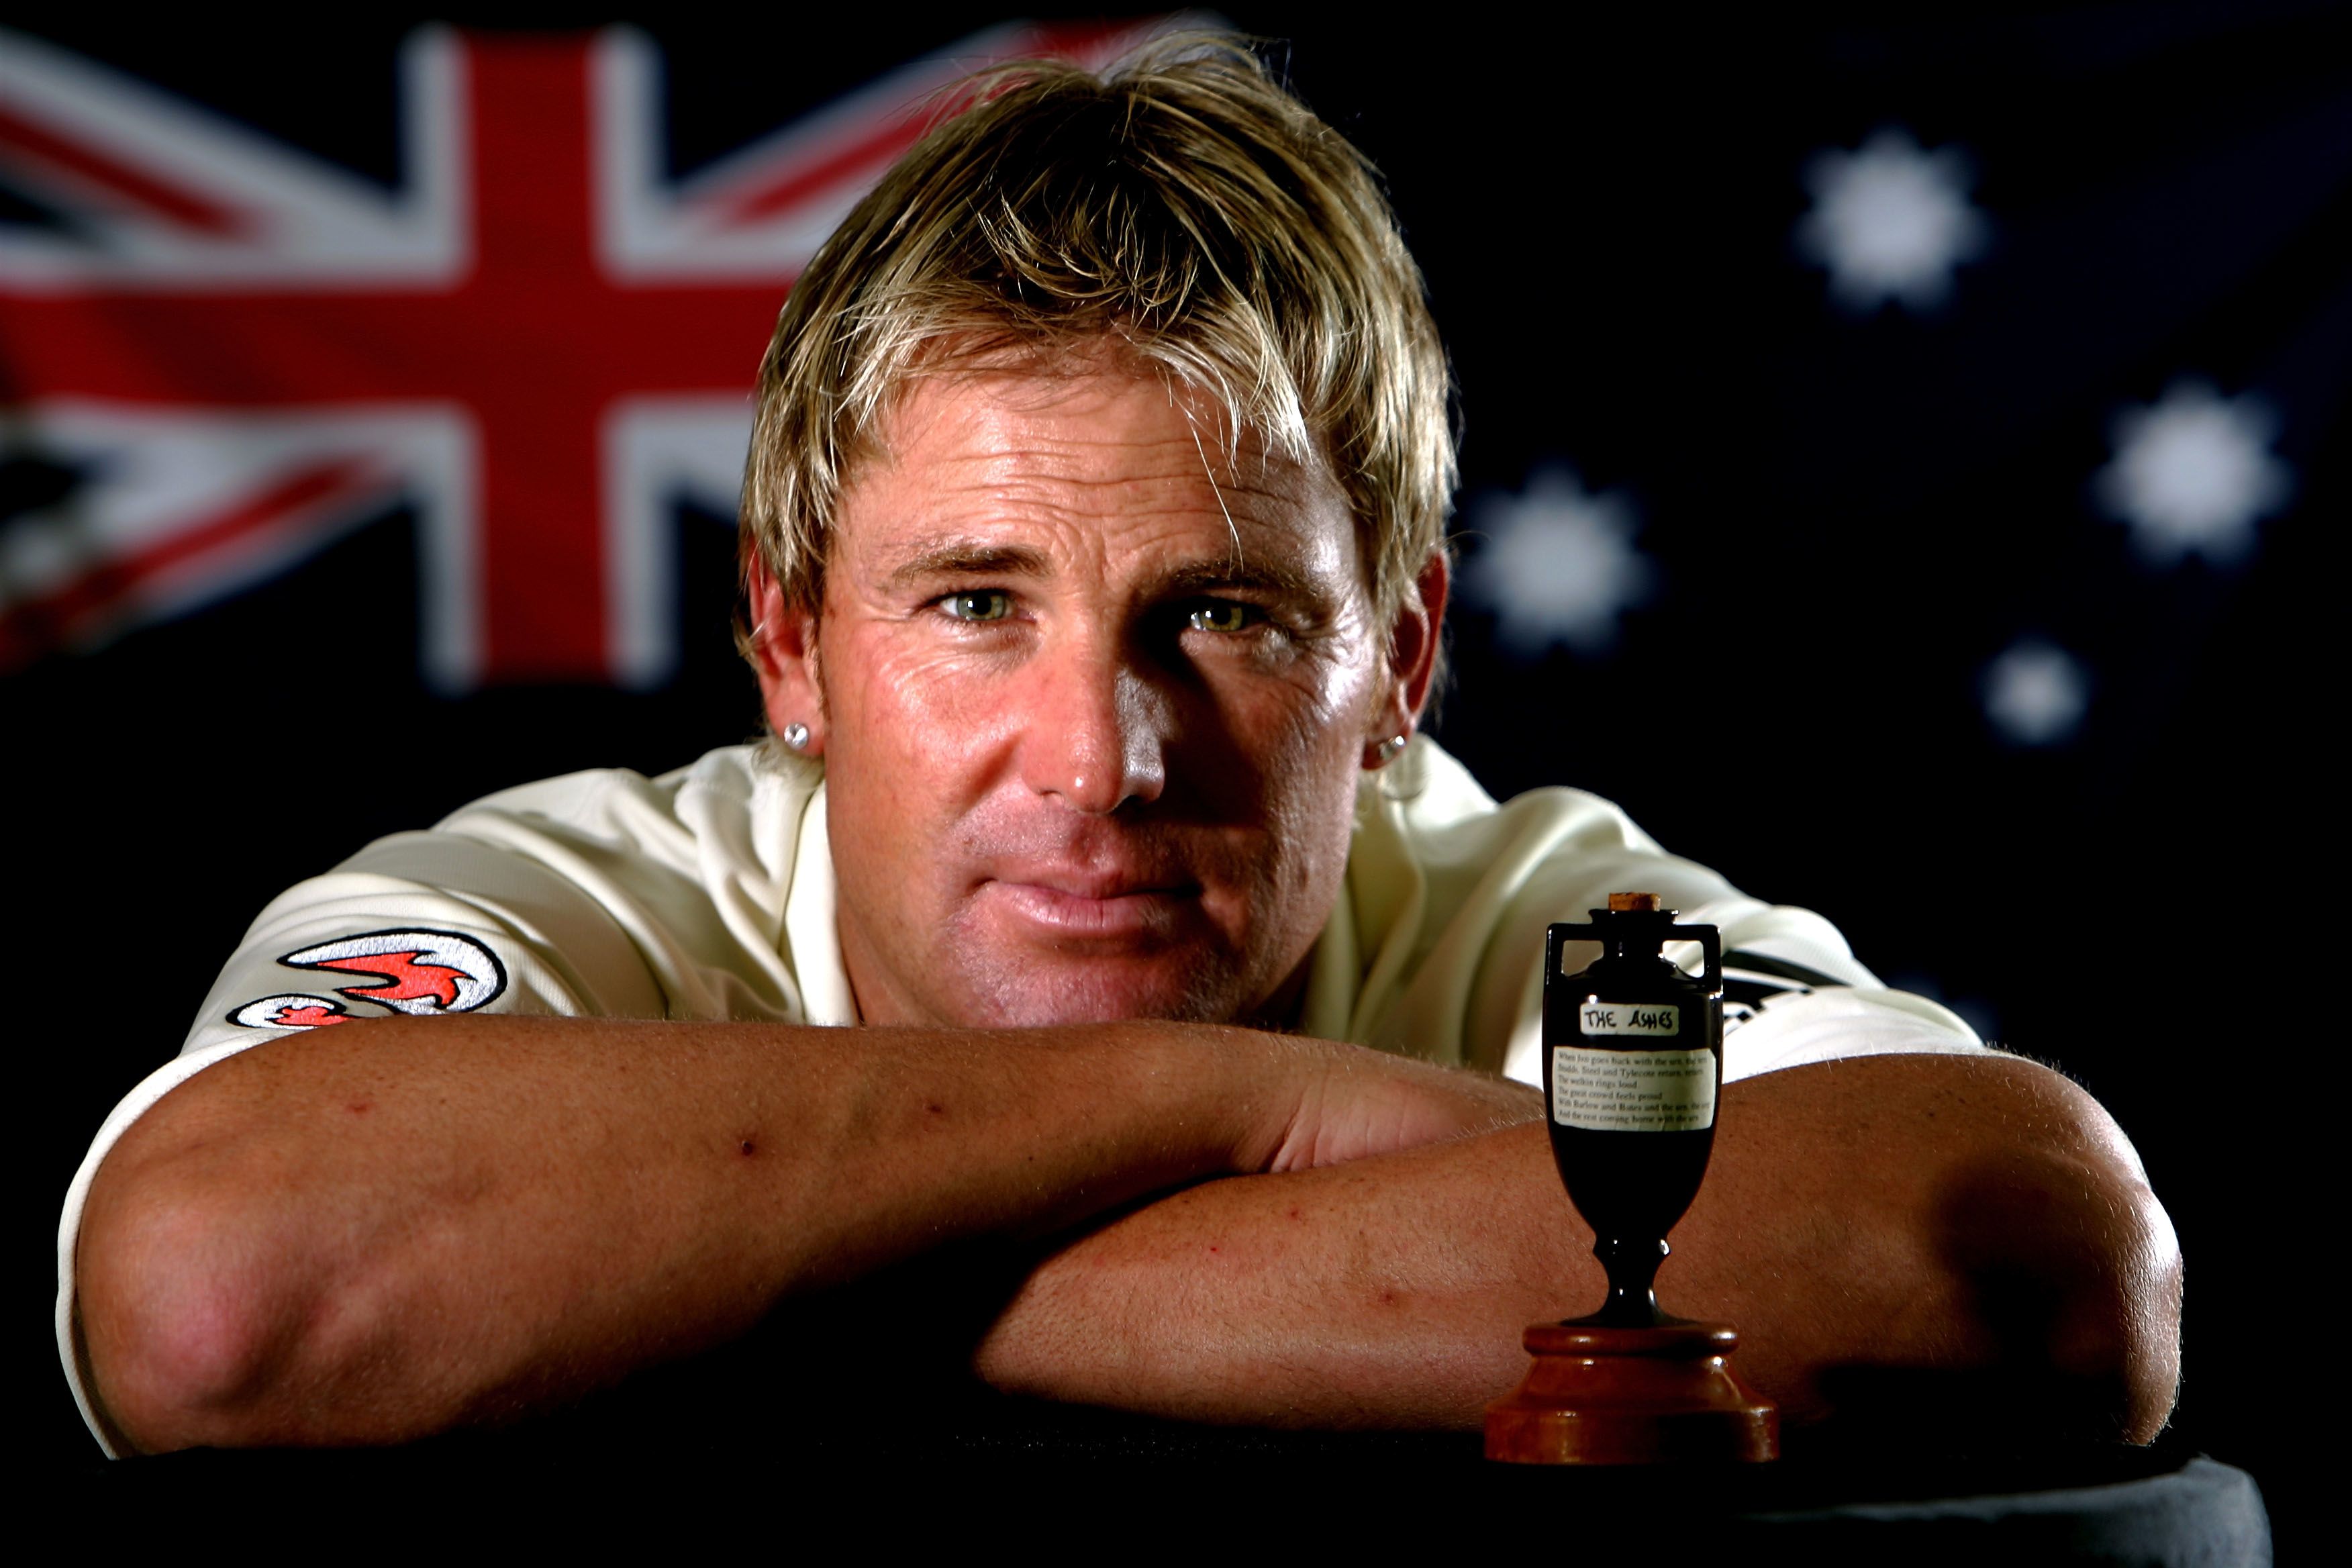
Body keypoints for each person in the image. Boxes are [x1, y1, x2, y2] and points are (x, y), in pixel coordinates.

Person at [61, 39, 2180, 1457]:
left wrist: (727, 1296)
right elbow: (211, 1296)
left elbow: (2012, 1260)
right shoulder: (581, 903)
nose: (1101, 762)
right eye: (975, 604)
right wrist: (1233, 1109)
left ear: (1403, 658)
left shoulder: (1535, 920)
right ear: (787, 647)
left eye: (1225, 618)